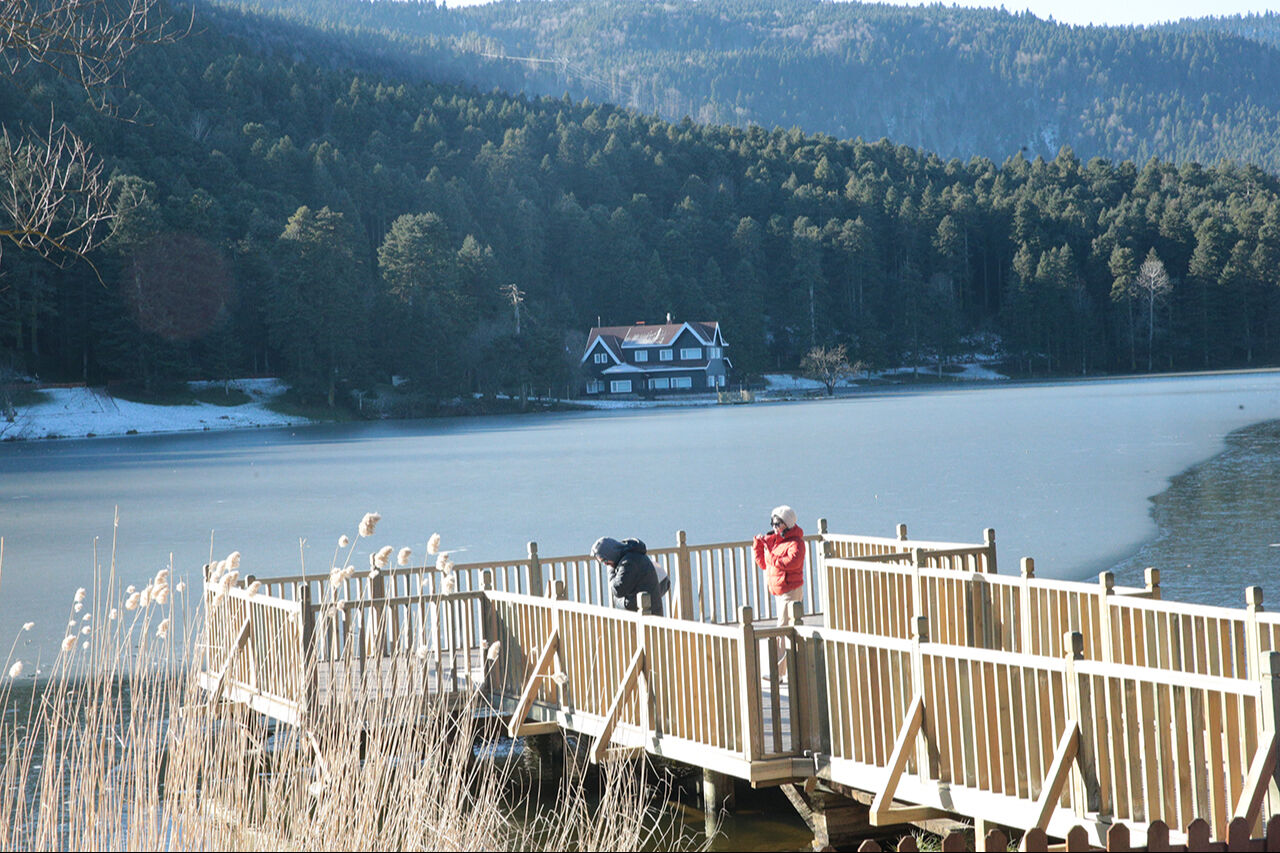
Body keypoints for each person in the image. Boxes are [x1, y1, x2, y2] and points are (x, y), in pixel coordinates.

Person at [752, 505, 806, 627]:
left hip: (790, 589)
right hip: (779, 590)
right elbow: (764, 564)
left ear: (787, 524)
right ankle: (788, 646)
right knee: (785, 625)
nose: (774, 527)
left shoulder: (796, 543)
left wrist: (771, 557)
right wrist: (758, 546)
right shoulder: (776, 542)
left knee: (784, 625)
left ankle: (786, 647)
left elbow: (793, 562)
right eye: (772, 523)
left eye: (777, 524)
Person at [591, 536, 668, 616]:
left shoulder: (629, 562)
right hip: (647, 610)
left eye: (605, 560)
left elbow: (617, 589)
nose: (606, 564)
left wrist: (611, 570)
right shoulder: (632, 556)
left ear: (611, 554)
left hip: (647, 614)